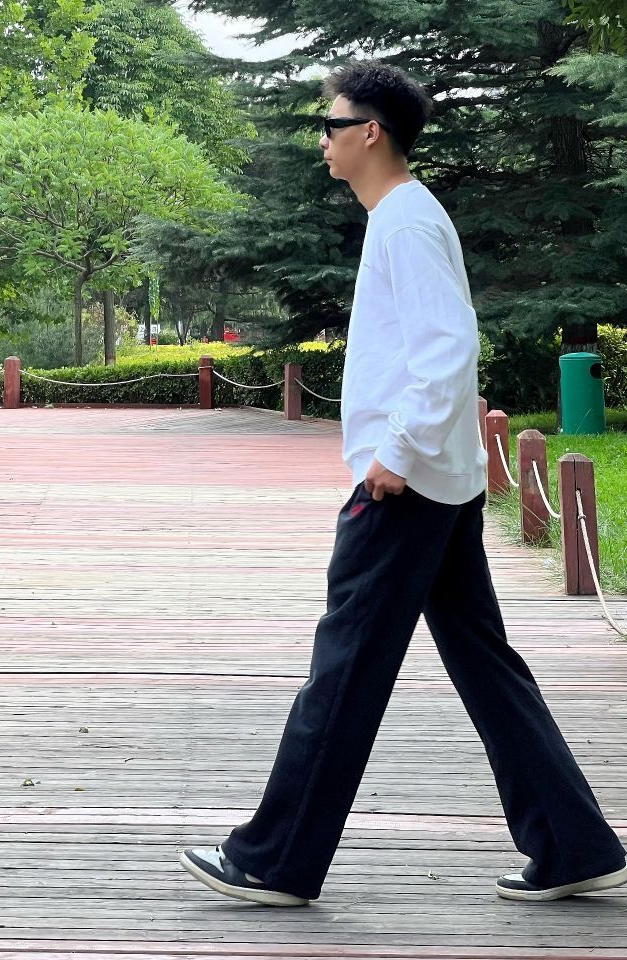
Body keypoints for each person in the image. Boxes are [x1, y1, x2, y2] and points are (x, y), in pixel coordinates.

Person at [178, 60, 627, 907]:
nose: (323, 140)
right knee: (486, 666)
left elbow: (447, 346)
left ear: (370, 133)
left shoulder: (408, 222)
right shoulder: (401, 217)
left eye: (332, 125)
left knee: (346, 664)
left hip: (405, 485)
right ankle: (574, 846)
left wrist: (397, 451)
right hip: (435, 483)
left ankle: (274, 860)